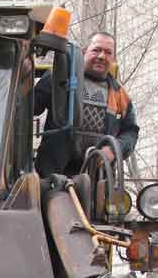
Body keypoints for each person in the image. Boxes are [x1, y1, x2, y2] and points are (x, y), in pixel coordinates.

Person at [34, 31, 139, 178]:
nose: (101, 56)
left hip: (97, 180)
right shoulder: (58, 78)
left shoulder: (120, 95)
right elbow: (30, 107)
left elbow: (131, 132)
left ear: (113, 58)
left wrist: (113, 150)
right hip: (52, 175)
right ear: (84, 52)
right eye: (96, 50)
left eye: (108, 52)